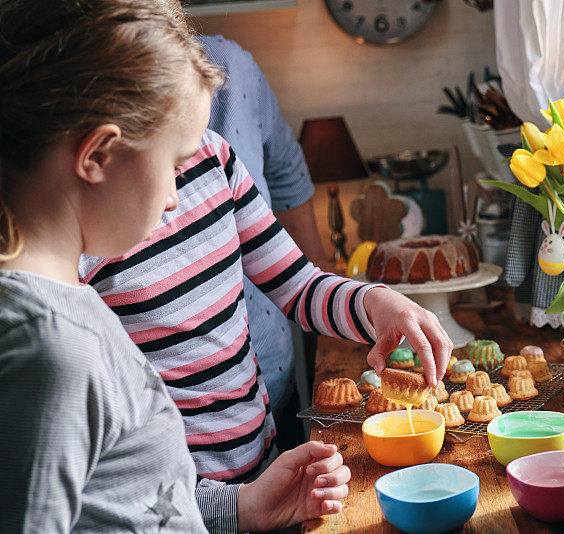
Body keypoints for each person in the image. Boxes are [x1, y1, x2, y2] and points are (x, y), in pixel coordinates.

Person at [0, 1, 351, 532]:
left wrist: (242, 508)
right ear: (97, 155)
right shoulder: (53, 350)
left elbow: (137, 500)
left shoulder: (68, 315)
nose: (174, 197)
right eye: (173, 163)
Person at [195, 33, 329, 450]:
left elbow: (301, 284)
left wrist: (363, 303)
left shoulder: (218, 158)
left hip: (263, 396)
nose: (177, 194)